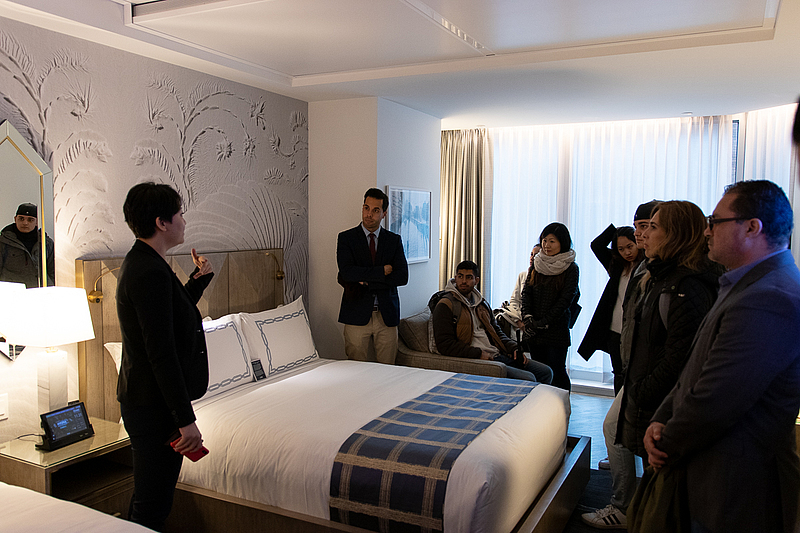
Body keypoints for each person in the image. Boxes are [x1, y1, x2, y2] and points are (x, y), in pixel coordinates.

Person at [644, 181, 800, 533]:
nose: (707, 231)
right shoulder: (744, 284)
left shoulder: (770, 296)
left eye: (715, 221)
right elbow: (695, 369)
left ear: (752, 227)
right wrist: (660, 418)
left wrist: (665, 442)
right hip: (714, 474)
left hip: (736, 486)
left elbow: (717, 397)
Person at [582, 200, 719, 530]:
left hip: (656, 389)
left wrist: (641, 391)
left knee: (641, 449)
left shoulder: (685, 285)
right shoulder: (659, 274)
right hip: (642, 377)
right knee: (628, 438)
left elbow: (680, 355)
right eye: (639, 227)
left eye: (650, 227)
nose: (641, 235)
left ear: (674, 234)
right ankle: (634, 507)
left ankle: (629, 508)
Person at [116, 182, 214, 531]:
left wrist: (199, 279)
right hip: (153, 407)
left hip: (152, 404)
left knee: (152, 500)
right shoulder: (148, 271)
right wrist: (185, 420)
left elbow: (171, 317)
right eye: (180, 214)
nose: (184, 221)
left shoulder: (147, 263)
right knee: (152, 507)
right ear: (162, 222)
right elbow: (161, 354)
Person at [432, 260, 553, 384]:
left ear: (476, 280)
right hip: (479, 359)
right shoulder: (446, 305)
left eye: (468, 277)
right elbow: (445, 345)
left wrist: (515, 348)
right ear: (455, 278)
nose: (463, 281)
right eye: (460, 276)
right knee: (528, 378)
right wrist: (478, 354)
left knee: (546, 372)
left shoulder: (481, 303)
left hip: (497, 354)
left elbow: (497, 332)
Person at [337, 188, 409, 364]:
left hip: (386, 315)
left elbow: (402, 277)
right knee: (356, 368)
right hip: (356, 312)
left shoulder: (393, 240)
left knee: (388, 369)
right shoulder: (346, 238)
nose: (369, 214)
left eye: (376, 210)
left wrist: (365, 281)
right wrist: (381, 272)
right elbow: (347, 272)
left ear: (384, 213)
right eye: (366, 208)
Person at [578, 225, 643, 394]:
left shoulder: (646, 266)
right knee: (618, 374)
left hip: (635, 330)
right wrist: (615, 231)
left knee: (634, 375)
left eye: (630, 246)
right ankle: (618, 407)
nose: (626, 252)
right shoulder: (616, 266)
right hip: (615, 330)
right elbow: (597, 245)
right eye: (621, 249)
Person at [520, 222, 579, 391]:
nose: (547, 245)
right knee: (540, 371)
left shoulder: (571, 268)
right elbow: (526, 293)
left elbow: (566, 300)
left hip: (556, 330)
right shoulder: (537, 263)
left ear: (562, 242)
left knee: (557, 371)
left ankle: (562, 403)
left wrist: (544, 322)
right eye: (544, 240)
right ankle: (542, 403)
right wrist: (528, 318)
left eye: (552, 241)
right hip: (534, 330)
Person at [0, 202, 55, 287]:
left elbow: (53, 272)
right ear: (15, 219)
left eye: (30, 220)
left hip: (40, 291)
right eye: (21, 219)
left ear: (36, 222)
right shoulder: (3, 241)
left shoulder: (46, 243)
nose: (25, 223)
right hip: (12, 291)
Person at [496, 244, 540, 338]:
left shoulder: (547, 280)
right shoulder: (523, 275)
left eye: (536, 255)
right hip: (519, 321)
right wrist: (519, 321)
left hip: (536, 325)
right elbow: (514, 301)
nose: (532, 258)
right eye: (531, 254)